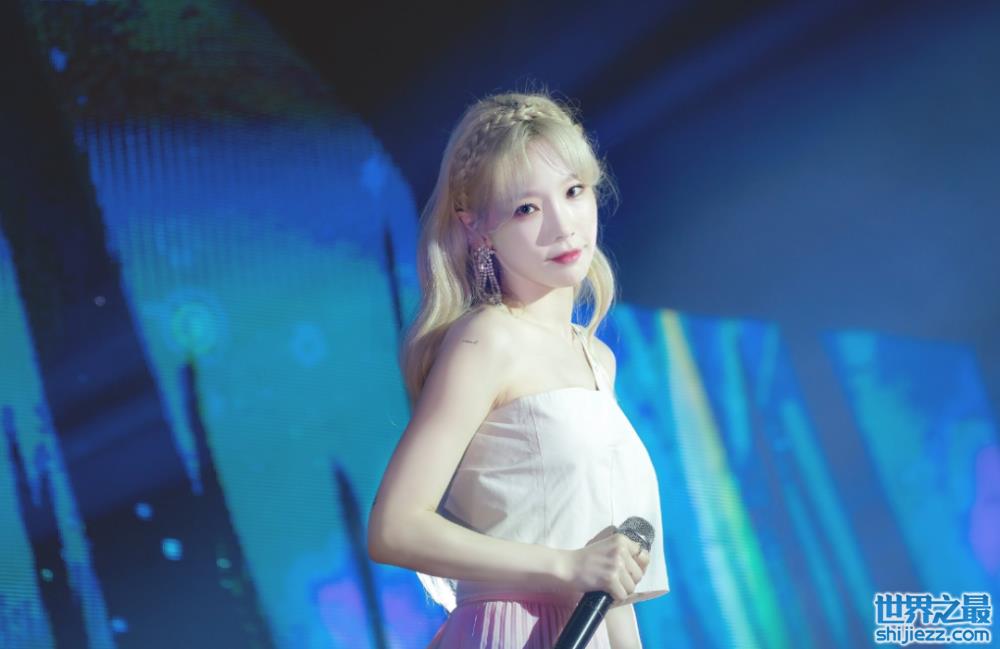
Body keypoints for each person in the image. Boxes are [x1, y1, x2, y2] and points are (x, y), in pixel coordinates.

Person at [367, 88, 669, 648]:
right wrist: (566, 567)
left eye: (573, 191)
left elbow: (609, 584)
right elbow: (395, 527)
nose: (563, 225)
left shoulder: (597, 359)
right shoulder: (488, 340)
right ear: (477, 227)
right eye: (527, 208)